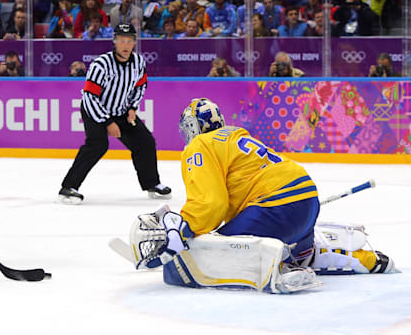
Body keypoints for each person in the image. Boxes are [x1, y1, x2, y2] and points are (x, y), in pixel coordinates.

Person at [127, 98, 397, 293]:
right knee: (302, 253)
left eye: (189, 127)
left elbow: (211, 203)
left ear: (196, 126)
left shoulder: (200, 144)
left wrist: (185, 228)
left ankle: (279, 266)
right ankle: (360, 259)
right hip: (305, 198)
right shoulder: (232, 137)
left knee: (212, 251)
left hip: (275, 207)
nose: (188, 134)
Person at [58, 24, 172, 204]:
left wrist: (133, 107)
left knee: (146, 142)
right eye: (121, 41)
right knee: (98, 144)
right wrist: (107, 122)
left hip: (121, 110)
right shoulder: (101, 65)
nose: (125, 45)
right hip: (94, 110)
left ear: (134, 43)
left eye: (129, 41)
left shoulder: (138, 62)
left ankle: (152, 184)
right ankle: (68, 187)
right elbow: (89, 96)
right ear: (115, 42)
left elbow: (140, 86)